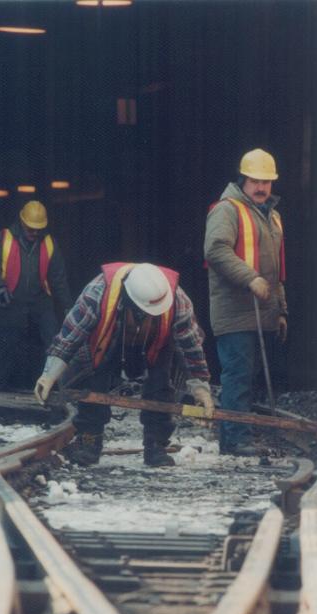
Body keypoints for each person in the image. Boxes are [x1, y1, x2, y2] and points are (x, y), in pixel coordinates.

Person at [33, 262, 213, 467]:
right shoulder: (97, 293)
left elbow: (191, 346)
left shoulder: (178, 300)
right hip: (108, 339)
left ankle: (156, 445)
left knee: (161, 383)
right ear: (129, 300)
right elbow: (70, 336)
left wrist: (201, 388)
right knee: (94, 376)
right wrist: (49, 374)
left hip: (155, 343)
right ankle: (89, 440)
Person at [204, 148, 287, 455]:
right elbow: (215, 250)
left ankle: (239, 434)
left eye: (267, 181)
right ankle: (235, 440)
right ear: (243, 180)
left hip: (261, 311)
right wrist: (250, 278)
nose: (262, 187)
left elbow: (277, 270)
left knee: (246, 376)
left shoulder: (272, 216)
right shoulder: (227, 210)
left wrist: (281, 311)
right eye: (255, 181)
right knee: (237, 375)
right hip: (234, 311)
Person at [0, 200, 71, 391]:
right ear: (21, 222)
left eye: (38, 229)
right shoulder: (4, 237)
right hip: (11, 299)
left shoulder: (49, 243)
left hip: (40, 300)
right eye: (31, 229)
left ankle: (63, 394)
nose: (35, 233)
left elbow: (58, 279)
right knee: (6, 349)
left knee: (56, 344)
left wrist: (68, 307)